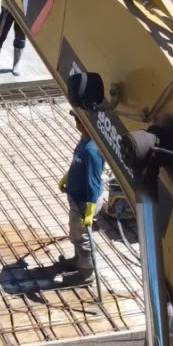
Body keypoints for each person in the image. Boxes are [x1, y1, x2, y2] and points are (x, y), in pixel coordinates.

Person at [57, 113, 105, 281]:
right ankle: (78, 260)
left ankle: (86, 273)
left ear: (85, 124)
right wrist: (67, 178)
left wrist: (90, 212)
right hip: (77, 197)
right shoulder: (84, 140)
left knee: (82, 237)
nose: (76, 123)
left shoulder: (92, 150)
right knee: (76, 231)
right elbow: (76, 164)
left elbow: (94, 183)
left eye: (77, 120)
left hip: (85, 202)